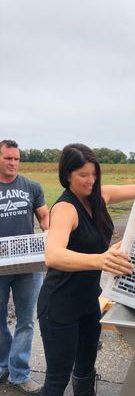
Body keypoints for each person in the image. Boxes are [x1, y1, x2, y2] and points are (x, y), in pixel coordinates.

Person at [37, 143, 135, 396]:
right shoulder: (65, 209)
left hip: (88, 302)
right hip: (59, 306)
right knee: (57, 379)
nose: (91, 180)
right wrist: (99, 260)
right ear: (67, 175)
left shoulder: (100, 197)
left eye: (94, 173)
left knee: (86, 369)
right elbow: (53, 255)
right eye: (83, 175)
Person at [0, 140, 49, 395]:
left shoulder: (31, 186)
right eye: (8, 158)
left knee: (27, 320)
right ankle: (1, 368)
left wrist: (49, 231)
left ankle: (19, 373)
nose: (13, 163)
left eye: (16, 159)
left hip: (28, 263)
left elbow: (43, 216)